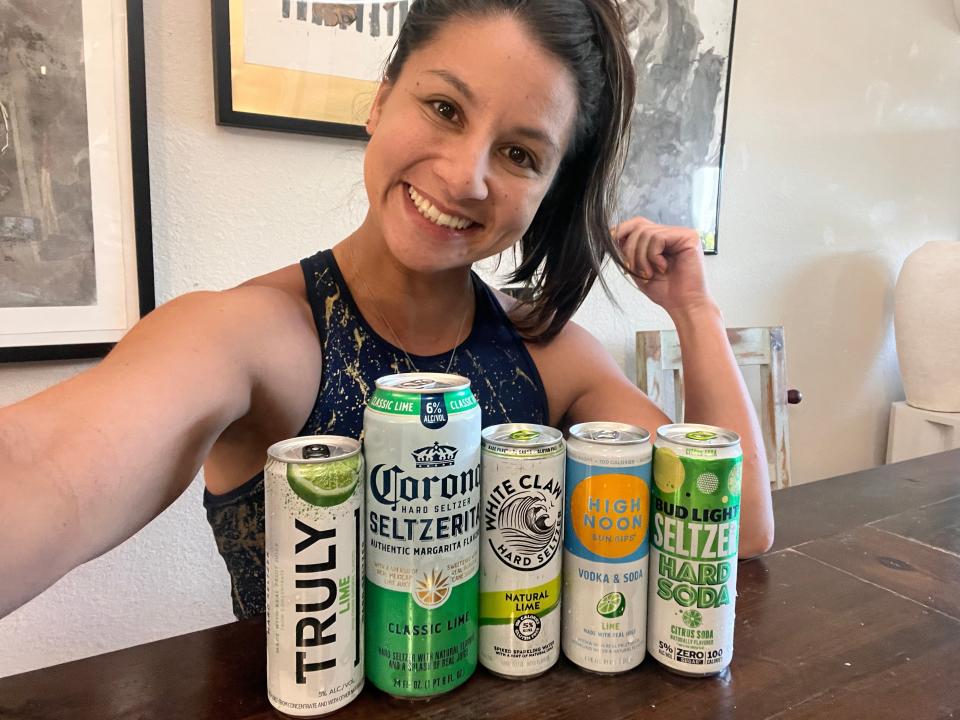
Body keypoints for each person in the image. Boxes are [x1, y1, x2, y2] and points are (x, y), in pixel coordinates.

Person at [0, 0, 773, 621]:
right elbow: (42, 470)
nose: (465, 175)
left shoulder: (550, 353)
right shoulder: (257, 336)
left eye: (519, 154)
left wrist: (694, 313)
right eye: (443, 107)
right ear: (379, 98)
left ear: (547, 191)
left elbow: (736, 535)